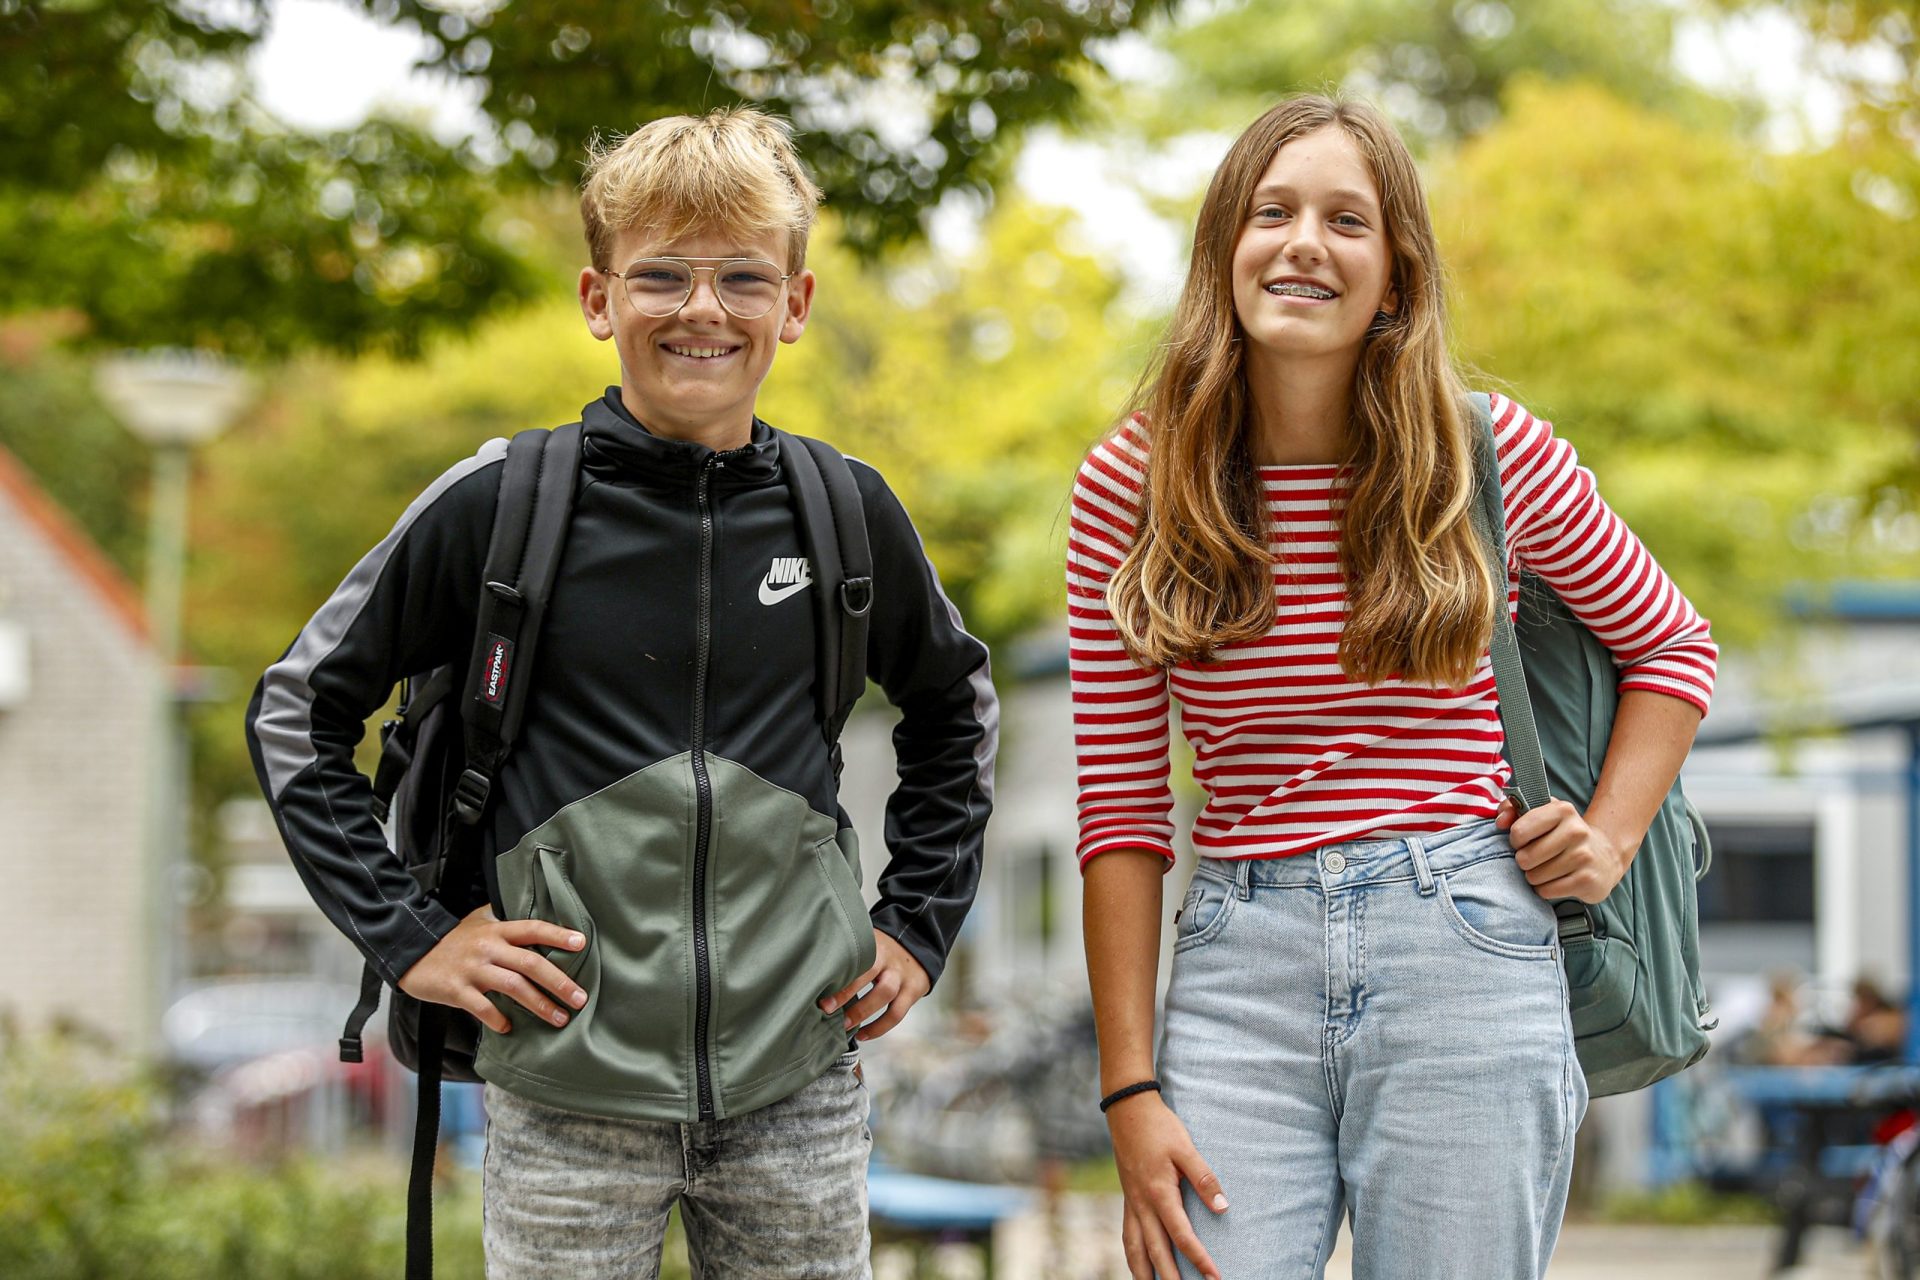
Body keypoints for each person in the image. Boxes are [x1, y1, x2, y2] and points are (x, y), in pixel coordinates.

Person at [245, 107, 997, 1279]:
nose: (704, 309)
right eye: (663, 275)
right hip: (565, 1088)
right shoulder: (500, 503)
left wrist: (917, 924)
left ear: (794, 306)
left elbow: (957, 706)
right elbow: (296, 709)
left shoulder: (845, 509)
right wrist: (415, 936)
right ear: (601, 300)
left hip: (799, 1079)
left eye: (744, 276)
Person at [1068, 94, 1717, 1279]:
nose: (1304, 241)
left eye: (1346, 220)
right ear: (1225, 251)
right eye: (1271, 212)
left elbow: (1672, 646)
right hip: (1236, 966)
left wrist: (1609, 838)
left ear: (1397, 277)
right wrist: (1130, 1085)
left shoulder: (1487, 454)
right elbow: (1119, 808)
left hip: (1465, 941)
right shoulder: (1134, 480)